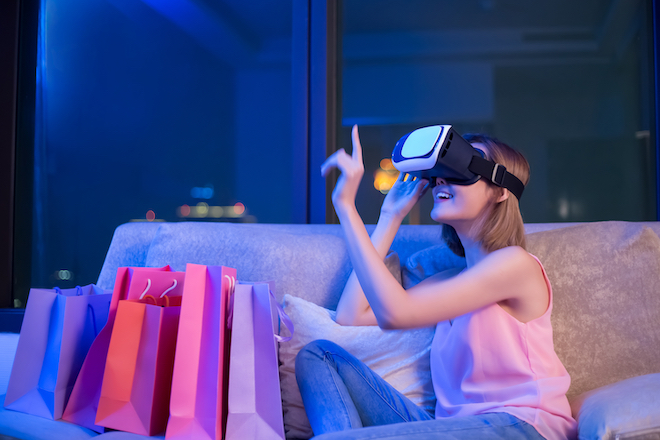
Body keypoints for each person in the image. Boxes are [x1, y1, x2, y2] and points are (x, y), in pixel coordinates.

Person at [295, 126, 577, 440]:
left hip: (521, 427)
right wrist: (390, 216)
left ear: (501, 191)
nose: (441, 179)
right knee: (319, 356)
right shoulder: (449, 283)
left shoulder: (516, 265)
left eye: (462, 168)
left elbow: (394, 313)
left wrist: (348, 210)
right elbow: (352, 315)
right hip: (455, 429)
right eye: (440, 171)